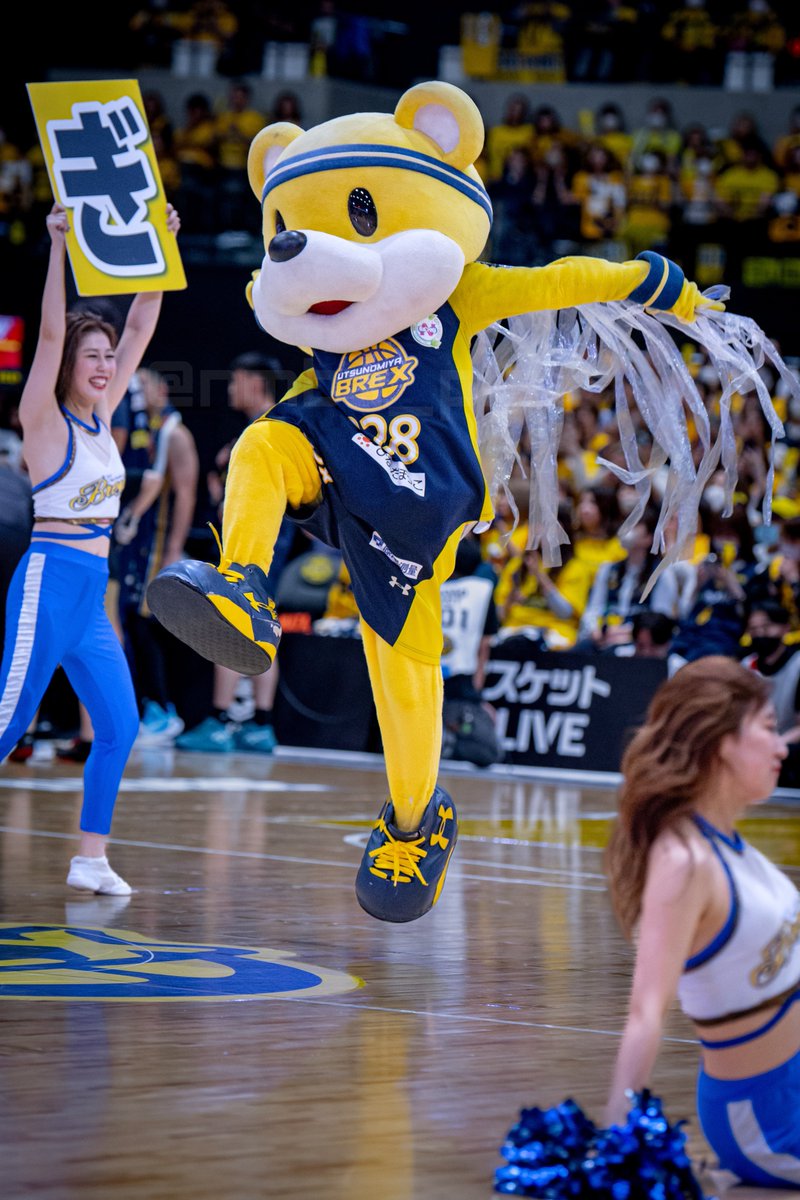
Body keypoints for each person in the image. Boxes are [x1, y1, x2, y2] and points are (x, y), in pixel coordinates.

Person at [0, 201, 180, 895]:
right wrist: (57, 246)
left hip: (89, 593)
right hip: (47, 581)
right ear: (67, 366)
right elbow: (48, 333)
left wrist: (163, 248)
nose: (107, 365)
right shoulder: (42, 418)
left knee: (120, 725)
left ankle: (91, 858)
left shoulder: (105, 415)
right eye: (93, 356)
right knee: (10, 723)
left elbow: (140, 323)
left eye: (110, 358)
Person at [604, 657, 800, 1188]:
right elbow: (645, 1014)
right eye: (768, 728)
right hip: (769, 1119)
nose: (783, 746)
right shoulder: (683, 862)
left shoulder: (731, 845)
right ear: (721, 742)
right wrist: (612, 1152)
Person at [176, 353, 292, 753]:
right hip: (267, 541)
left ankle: (221, 720)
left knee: (232, 619)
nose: (229, 390)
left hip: (259, 543)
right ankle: (259, 723)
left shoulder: (265, 429)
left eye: (235, 381)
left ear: (254, 382)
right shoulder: (264, 427)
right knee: (261, 623)